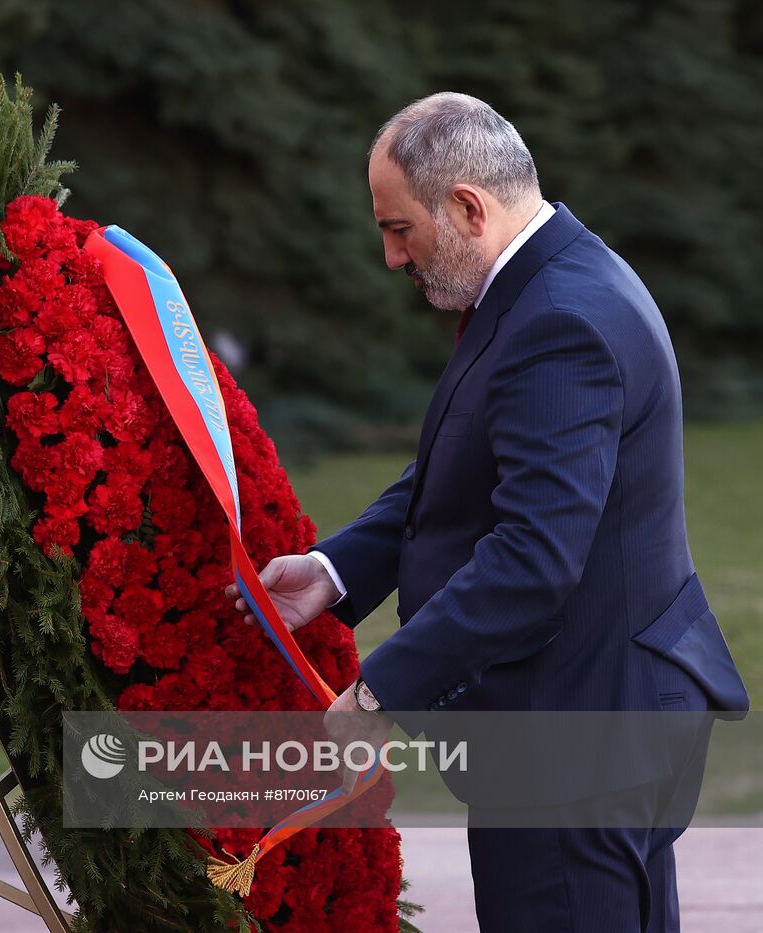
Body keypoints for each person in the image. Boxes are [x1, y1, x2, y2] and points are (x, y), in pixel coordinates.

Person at [232, 92, 749, 931]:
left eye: (399, 229)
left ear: (468, 207)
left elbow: (534, 557)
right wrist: (334, 571)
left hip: (575, 747)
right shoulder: (557, 280)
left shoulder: (559, 319)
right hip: (605, 719)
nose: (394, 258)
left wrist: (378, 695)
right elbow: (465, 470)